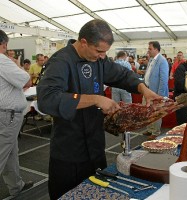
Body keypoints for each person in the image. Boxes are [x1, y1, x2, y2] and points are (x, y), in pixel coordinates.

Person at [36, 19, 161, 200]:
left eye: (105, 52)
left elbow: (122, 74)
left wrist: (144, 89)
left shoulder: (98, 60)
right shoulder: (61, 61)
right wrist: (95, 99)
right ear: (84, 42)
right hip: (69, 151)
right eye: (99, 51)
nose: (102, 56)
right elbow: (47, 100)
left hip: (95, 147)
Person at [0, 30, 33, 197]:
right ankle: (16, 186)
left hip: (5, 114)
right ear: (4, 45)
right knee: (3, 152)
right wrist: (16, 64)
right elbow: (27, 80)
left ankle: (16, 186)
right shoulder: (3, 61)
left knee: (11, 152)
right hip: (7, 116)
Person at [143, 41, 169, 140]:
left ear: (156, 49)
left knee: (156, 112)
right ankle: (150, 128)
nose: (148, 50)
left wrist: (159, 95)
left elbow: (163, 80)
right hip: (148, 90)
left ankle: (156, 131)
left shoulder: (162, 61)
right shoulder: (151, 60)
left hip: (156, 92)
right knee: (148, 111)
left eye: (150, 49)